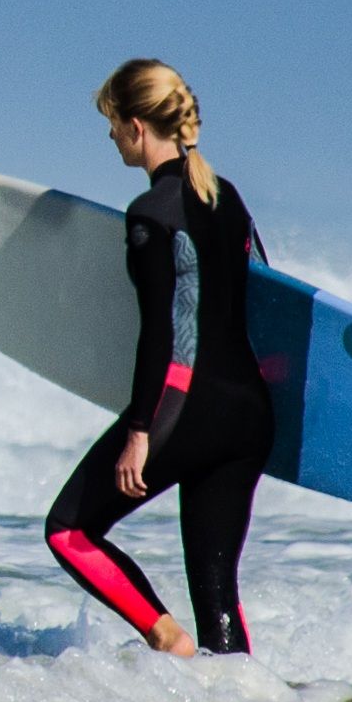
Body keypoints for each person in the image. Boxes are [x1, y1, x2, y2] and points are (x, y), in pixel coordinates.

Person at [43, 58, 275, 657]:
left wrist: (140, 430)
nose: (110, 137)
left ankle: (165, 637)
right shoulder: (229, 199)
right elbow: (265, 293)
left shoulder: (152, 214)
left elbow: (161, 333)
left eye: (113, 123)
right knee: (217, 591)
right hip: (249, 412)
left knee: (69, 530)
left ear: (138, 127)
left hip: (184, 406)